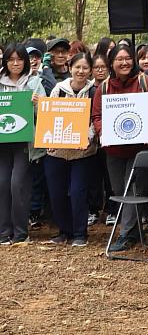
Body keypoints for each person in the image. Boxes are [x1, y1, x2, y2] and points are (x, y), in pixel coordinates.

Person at [91, 45, 148, 252]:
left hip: (141, 150)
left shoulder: (145, 81)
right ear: (111, 63)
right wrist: (101, 132)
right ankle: (135, 232)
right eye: (119, 59)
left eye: (127, 59)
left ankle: (125, 235)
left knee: (132, 189)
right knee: (118, 189)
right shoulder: (104, 88)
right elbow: (96, 116)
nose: (124, 63)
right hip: (115, 151)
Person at [43, 54, 98, 247]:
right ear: (70, 67)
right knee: (57, 192)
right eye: (77, 67)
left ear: (90, 70)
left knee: (77, 191)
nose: (81, 71)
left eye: (85, 68)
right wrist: (48, 138)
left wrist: (88, 137)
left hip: (83, 151)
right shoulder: (59, 89)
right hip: (57, 150)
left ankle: (79, 233)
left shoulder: (94, 91)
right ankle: (63, 230)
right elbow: (50, 115)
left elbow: (96, 119)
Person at [0, 45, 45, 244]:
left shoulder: (35, 83)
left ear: (25, 61)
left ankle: (20, 232)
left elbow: (46, 112)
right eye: (11, 59)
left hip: (25, 142)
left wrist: (38, 104)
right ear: (6, 62)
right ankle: (4, 231)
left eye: (19, 59)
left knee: (17, 184)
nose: (15, 63)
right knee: (2, 184)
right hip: (3, 143)